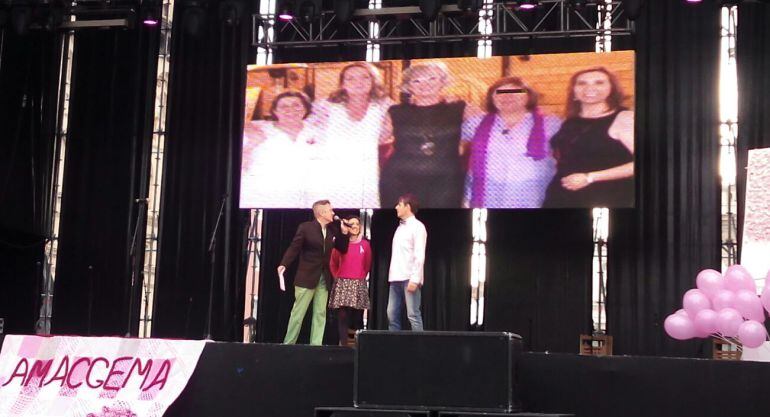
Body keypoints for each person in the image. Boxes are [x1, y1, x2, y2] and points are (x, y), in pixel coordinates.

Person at [379, 62, 480, 208]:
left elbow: (488, 129)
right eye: (416, 80)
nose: (424, 84)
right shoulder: (395, 111)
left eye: (432, 79)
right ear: (408, 87)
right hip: (399, 181)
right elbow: (376, 138)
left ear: (443, 82)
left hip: (446, 182)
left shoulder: (461, 108)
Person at [463, 76, 562, 208]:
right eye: (500, 93)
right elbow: (447, 141)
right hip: (488, 196)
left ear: (528, 96)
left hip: (533, 196)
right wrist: (451, 106)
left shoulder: (550, 123)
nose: (507, 97)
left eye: (516, 92)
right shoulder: (476, 122)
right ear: (492, 98)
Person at [543, 67, 635, 208]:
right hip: (562, 195)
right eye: (582, 83)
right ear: (574, 91)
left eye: (599, 82)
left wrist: (590, 177)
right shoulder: (570, 120)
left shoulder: (625, 118)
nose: (589, 87)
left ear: (612, 89)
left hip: (605, 196)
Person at [307, 63, 393, 208]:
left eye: (365, 77)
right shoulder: (326, 105)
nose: (358, 82)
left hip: (364, 174)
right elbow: (306, 131)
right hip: (328, 173)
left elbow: (386, 134)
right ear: (342, 83)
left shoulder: (384, 106)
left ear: (373, 81)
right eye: (350, 78)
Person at [278, 200, 349, 345]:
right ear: (322, 213)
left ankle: (316, 345)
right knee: (298, 314)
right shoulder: (306, 228)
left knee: (320, 313)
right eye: (330, 210)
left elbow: (343, 248)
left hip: (323, 278)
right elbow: (294, 247)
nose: (333, 213)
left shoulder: (331, 231)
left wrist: (344, 233)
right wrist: (284, 263)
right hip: (306, 277)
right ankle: (288, 344)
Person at [240, 90, 319, 208]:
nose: (290, 110)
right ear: (275, 111)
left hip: (302, 200)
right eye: (283, 106)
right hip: (260, 197)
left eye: (296, 105)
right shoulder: (259, 131)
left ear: (305, 109)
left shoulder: (317, 133)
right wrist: (250, 145)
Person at [328, 215, 372, 346]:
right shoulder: (341, 243)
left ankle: (356, 345)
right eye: (351, 224)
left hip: (358, 282)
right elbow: (333, 263)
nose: (355, 226)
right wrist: (338, 276)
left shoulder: (365, 244)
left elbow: (367, 264)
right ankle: (343, 344)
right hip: (343, 282)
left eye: (357, 224)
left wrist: (360, 276)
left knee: (357, 316)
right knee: (342, 315)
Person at [387, 194, 427, 331]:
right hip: (395, 277)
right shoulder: (400, 228)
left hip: (409, 277)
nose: (396, 207)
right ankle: (395, 346)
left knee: (413, 315)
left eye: (399, 204)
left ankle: (418, 348)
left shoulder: (418, 227)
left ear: (408, 207)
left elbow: (419, 254)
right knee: (391, 314)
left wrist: (415, 279)